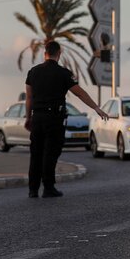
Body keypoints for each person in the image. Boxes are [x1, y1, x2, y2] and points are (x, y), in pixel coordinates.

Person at [24, 41, 108, 198]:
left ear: (45, 53)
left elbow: (29, 98)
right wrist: (96, 108)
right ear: (59, 54)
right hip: (54, 119)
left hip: (37, 117)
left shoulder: (33, 72)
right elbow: (79, 93)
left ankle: (32, 189)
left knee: (36, 153)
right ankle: (48, 188)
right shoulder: (63, 73)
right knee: (51, 152)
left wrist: (28, 117)